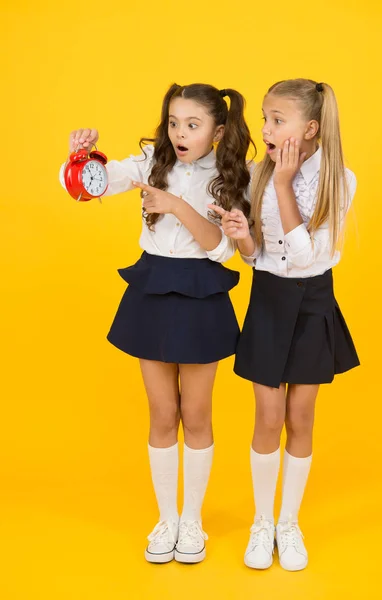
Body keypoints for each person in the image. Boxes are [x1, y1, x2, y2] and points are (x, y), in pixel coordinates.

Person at [59, 83, 254, 564]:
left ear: (218, 130)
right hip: (152, 288)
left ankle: (193, 521)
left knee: (198, 414)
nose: (180, 132)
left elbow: (225, 250)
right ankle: (166, 519)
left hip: (202, 292)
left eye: (192, 124)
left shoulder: (233, 176)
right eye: (173, 122)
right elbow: (93, 186)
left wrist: (177, 207)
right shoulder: (151, 162)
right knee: (163, 413)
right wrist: (83, 160)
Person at [210, 78, 359, 571]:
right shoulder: (258, 171)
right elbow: (262, 259)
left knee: (300, 418)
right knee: (268, 419)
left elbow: (302, 257)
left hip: (313, 301)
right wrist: (241, 236)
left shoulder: (339, 180)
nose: (266, 129)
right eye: (265, 118)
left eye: (278, 120)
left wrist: (280, 184)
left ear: (311, 128)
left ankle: (288, 522)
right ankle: (262, 521)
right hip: (270, 301)